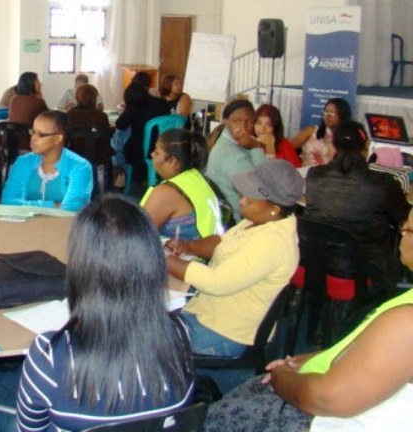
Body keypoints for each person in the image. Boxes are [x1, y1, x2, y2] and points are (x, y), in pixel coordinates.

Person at [204, 207, 413, 431]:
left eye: (408, 229)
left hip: (325, 420)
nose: (401, 231)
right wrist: (312, 359)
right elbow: (380, 351)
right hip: (344, 268)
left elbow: (328, 399)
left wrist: (281, 377)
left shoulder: (406, 320)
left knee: (222, 416)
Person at [16, 194, 194, 431]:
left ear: (81, 267)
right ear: (152, 262)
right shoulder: (180, 333)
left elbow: (30, 428)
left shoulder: (49, 355)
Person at [166, 160, 302, 357]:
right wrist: (189, 246)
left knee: (142, 340)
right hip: (208, 311)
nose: (242, 201)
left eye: (250, 199)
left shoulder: (271, 243)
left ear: (275, 208)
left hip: (225, 331)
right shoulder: (258, 221)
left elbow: (215, 282)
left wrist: (161, 259)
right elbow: (221, 243)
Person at [304, 120, 411, 297]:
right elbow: (406, 219)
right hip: (368, 272)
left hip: (318, 266)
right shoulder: (382, 183)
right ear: (366, 147)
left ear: (333, 146)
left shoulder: (314, 175)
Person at [1, 110, 93, 212]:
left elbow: (72, 208)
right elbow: (8, 203)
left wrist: (26, 205)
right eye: (33, 132)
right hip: (27, 222)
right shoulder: (23, 162)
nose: (33, 138)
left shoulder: (80, 167)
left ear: (58, 138)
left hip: (65, 222)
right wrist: (54, 205)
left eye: (41, 134)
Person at [141, 128, 222, 241]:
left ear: (172, 161)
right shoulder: (197, 178)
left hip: (183, 251)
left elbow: (137, 236)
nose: (152, 154)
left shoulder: (166, 193)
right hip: (207, 247)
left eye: (157, 152)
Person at [205, 98, 266, 223]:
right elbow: (262, 189)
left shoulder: (229, 140)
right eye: (236, 121)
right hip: (237, 220)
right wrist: (256, 147)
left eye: (249, 121)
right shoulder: (231, 155)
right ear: (226, 122)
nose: (243, 127)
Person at [291, 97, 351, 166]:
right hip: (305, 170)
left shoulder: (347, 138)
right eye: (326, 112)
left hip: (330, 172)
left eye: (332, 112)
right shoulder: (312, 131)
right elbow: (288, 148)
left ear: (342, 115)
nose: (328, 116)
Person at [66, 83, 112, 169]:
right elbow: (108, 134)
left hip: (76, 155)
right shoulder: (101, 116)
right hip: (99, 157)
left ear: (77, 98)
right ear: (95, 98)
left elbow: (66, 136)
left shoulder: (70, 115)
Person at [8, 72, 49, 151]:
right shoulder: (37, 102)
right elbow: (50, 118)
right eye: (37, 82)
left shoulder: (13, 99)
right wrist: (40, 98)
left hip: (11, 145)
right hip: (29, 145)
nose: (41, 84)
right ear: (30, 84)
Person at [253, 103, 301, 168]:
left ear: (276, 127)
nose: (262, 129)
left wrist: (270, 146)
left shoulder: (283, 144)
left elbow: (296, 169)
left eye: (268, 125)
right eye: (259, 123)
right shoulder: (250, 143)